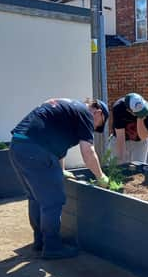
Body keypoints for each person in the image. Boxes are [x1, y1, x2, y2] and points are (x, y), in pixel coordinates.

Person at [9, 98, 110, 260]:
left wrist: (61, 171)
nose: (95, 127)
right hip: (36, 150)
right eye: (99, 124)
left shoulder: (69, 109)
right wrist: (101, 176)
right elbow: (88, 151)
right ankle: (52, 247)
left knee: (36, 197)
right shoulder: (85, 114)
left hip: (18, 146)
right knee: (53, 200)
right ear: (97, 112)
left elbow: (59, 148)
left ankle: (40, 241)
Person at [109, 93, 148, 163]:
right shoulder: (118, 108)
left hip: (140, 142)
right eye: (137, 112)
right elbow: (120, 138)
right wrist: (121, 161)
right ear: (129, 111)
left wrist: (140, 118)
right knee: (118, 169)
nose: (142, 113)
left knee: (138, 169)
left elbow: (144, 137)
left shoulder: (147, 108)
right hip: (120, 140)